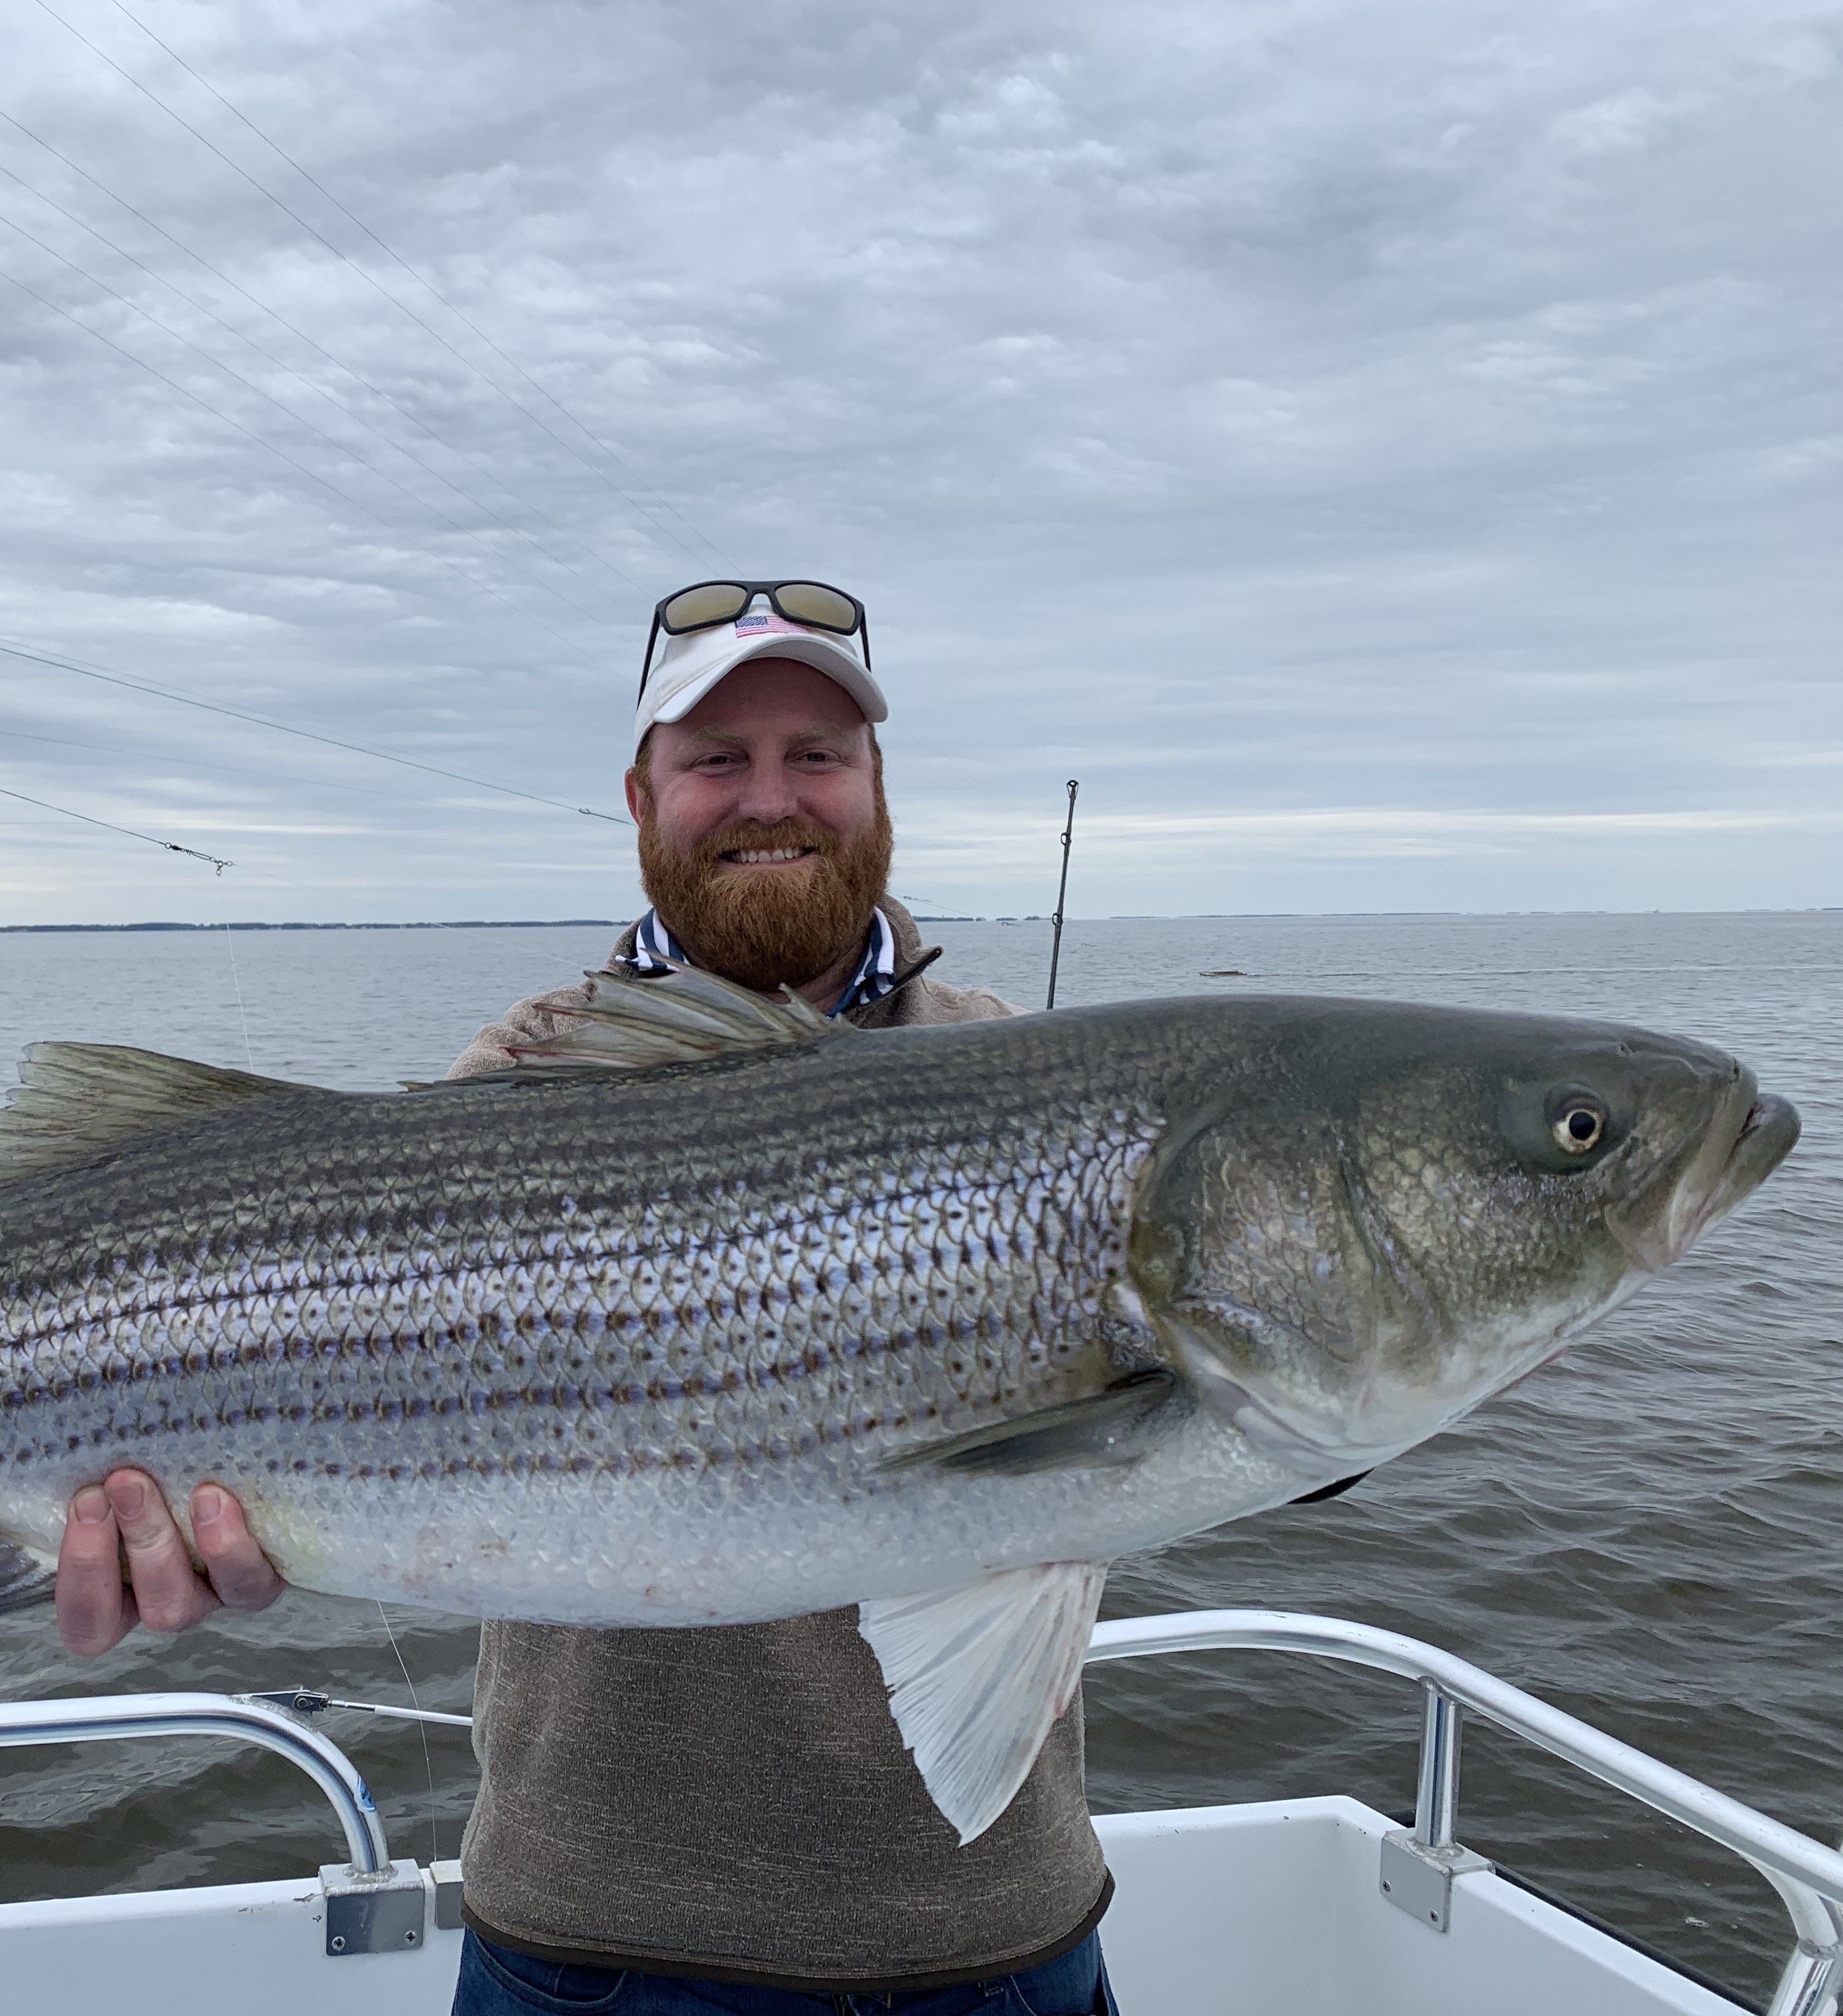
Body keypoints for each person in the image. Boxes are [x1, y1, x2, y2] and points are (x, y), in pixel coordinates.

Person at [54, 581, 1118, 2016]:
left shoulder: (1024, 1074)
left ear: (876, 789)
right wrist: (207, 1536)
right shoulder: (522, 1083)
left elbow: (1282, 1432)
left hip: (995, 1935)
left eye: (819, 753)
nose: (772, 798)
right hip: (593, 1954)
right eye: (715, 760)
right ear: (640, 794)